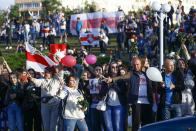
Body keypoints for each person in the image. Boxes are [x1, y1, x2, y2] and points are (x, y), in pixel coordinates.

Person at [28, 67, 63, 131]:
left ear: (52, 73)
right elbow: (35, 80)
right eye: (45, 72)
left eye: (48, 72)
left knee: (53, 126)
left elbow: (60, 72)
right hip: (45, 105)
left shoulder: (56, 79)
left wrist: (59, 64)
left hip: (55, 104)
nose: (46, 73)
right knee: (46, 126)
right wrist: (31, 77)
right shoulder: (42, 80)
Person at [128, 57, 154, 131]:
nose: (136, 66)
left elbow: (155, 85)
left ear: (141, 64)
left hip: (148, 102)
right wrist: (112, 80)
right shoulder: (131, 74)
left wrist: (149, 70)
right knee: (136, 125)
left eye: (137, 64)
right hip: (137, 102)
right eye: (134, 65)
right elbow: (122, 77)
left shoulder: (147, 74)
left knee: (148, 124)